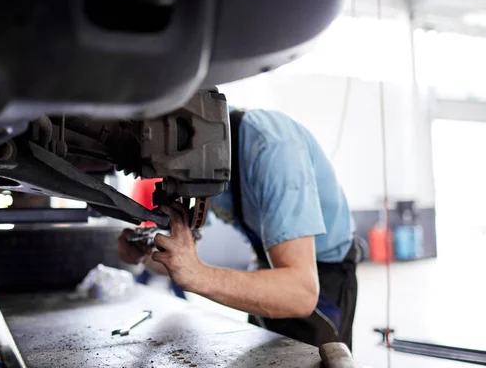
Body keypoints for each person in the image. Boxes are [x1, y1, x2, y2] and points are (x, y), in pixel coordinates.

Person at [118, 108, 361, 349]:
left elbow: (301, 292)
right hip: (268, 269)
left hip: (322, 279)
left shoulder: (273, 148)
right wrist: (149, 253)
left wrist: (199, 275)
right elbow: (179, 262)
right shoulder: (200, 168)